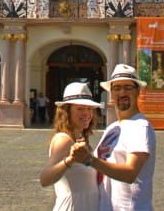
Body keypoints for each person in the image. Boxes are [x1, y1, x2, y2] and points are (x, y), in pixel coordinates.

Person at [74, 63, 156, 211]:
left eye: (128, 87)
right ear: (111, 93)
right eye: (117, 88)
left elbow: (131, 173)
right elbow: (101, 165)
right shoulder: (113, 128)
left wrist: (89, 160)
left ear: (138, 91)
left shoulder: (140, 127)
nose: (122, 92)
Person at [39, 81, 101, 211]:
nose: (87, 114)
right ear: (67, 112)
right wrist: (69, 160)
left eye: (89, 109)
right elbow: (45, 179)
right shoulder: (64, 140)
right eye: (80, 109)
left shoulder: (81, 139)